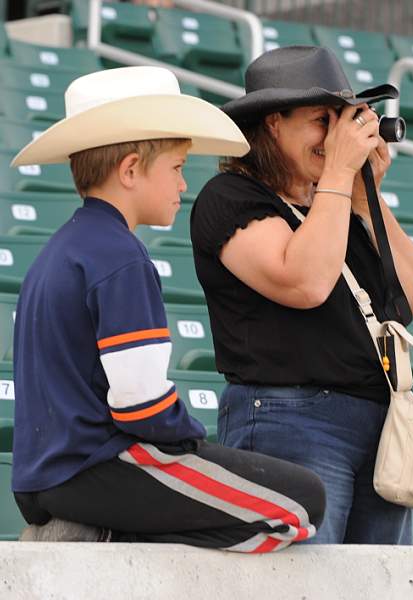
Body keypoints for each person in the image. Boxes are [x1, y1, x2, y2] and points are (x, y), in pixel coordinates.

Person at [11, 65, 325, 550]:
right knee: (302, 504)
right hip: (97, 467)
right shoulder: (119, 256)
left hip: (47, 473)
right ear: (131, 169)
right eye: (177, 169)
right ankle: (113, 535)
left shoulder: (59, 250)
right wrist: (194, 440)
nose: (183, 186)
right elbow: (141, 404)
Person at [190, 46, 413, 545]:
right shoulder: (231, 197)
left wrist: (367, 201)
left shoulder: (339, 202)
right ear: (273, 123)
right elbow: (305, 282)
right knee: (303, 585)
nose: (337, 137)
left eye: (345, 121)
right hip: (290, 418)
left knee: (380, 587)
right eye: (323, 121)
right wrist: (341, 176)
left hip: (378, 424)